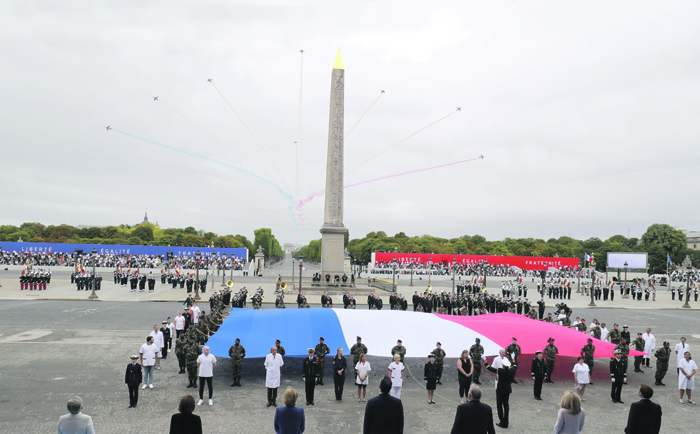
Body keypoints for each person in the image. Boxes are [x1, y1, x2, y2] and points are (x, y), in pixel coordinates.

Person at [484, 357, 517, 429]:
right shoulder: (511, 370)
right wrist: (513, 358)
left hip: (500, 390)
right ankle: (506, 421)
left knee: (499, 405)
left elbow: (489, 368)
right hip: (507, 389)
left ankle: (502, 421)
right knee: (506, 405)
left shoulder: (501, 371)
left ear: (503, 365)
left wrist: (485, 361)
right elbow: (515, 365)